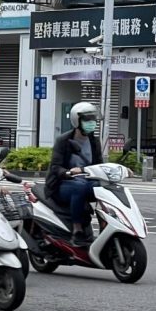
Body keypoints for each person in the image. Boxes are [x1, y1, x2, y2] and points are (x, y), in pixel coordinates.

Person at [46, 101, 103, 243]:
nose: (91, 123)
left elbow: (99, 164)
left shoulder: (94, 141)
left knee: (105, 189)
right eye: (87, 120)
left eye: (93, 120)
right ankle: (77, 228)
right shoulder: (63, 141)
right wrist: (68, 173)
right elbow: (55, 167)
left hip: (87, 181)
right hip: (63, 185)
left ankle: (106, 225)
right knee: (79, 188)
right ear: (76, 121)